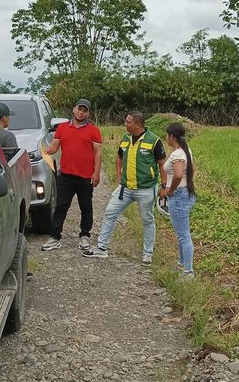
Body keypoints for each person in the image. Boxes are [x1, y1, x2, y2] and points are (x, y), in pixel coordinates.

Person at [82, 111, 166, 265]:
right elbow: (119, 157)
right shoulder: (126, 139)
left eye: (128, 122)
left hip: (146, 189)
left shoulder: (154, 140)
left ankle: (147, 255)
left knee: (147, 220)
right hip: (125, 188)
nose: (125, 124)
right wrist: (119, 177)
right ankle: (101, 248)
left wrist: (164, 186)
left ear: (138, 125)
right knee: (110, 212)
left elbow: (162, 163)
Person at [41, 99, 102, 251]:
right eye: (79, 109)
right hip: (66, 175)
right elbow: (53, 148)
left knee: (86, 207)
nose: (81, 113)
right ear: (74, 109)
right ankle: (55, 237)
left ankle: (85, 236)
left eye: (85, 110)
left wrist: (96, 173)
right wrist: (44, 150)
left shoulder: (93, 130)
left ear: (88, 113)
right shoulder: (62, 128)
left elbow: (98, 152)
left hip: (85, 176)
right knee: (61, 206)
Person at [161, 122, 196, 278]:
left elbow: (178, 174)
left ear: (171, 137)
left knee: (183, 235)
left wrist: (170, 190)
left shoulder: (177, 155)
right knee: (182, 233)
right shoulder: (186, 151)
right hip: (186, 193)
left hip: (179, 196)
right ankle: (182, 264)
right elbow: (190, 171)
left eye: (166, 135)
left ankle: (188, 271)